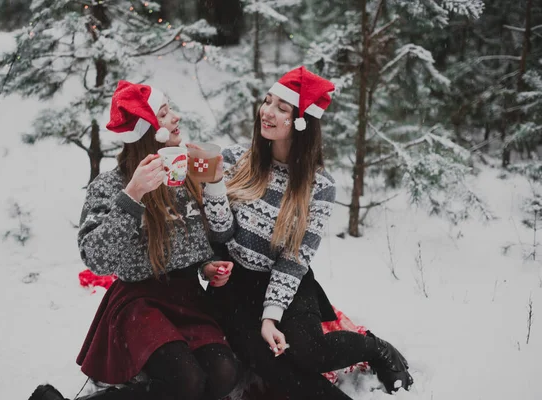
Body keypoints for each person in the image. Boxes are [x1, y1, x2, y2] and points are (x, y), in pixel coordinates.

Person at [201, 67, 413, 399]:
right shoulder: (233, 159)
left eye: (281, 108)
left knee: (310, 353)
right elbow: (221, 234)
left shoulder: (319, 187)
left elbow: (293, 260)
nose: (267, 112)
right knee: (275, 367)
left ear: (301, 121)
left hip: (289, 280)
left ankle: (374, 347)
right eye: (267, 101)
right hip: (235, 286)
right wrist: (213, 186)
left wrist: (271, 316)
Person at [29, 81, 239, 400]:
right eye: (166, 113)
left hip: (188, 298)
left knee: (223, 376)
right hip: (139, 303)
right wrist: (133, 195)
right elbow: (96, 259)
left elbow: (218, 235)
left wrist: (207, 265)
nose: (177, 117)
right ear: (150, 131)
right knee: (187, 381)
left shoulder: (186, 175)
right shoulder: (111, 186)